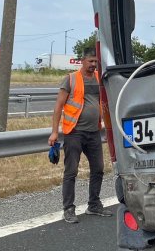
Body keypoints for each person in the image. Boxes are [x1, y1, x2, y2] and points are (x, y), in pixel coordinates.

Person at [48, 47, 111, 223]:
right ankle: (68, 209)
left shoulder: (99, 78)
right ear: (82, 60)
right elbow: (58, 106)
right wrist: (54, 132)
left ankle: (94, 205)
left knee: (98, 168)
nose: (93, 64)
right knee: (71, 171)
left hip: (93, 133)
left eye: (95, 62)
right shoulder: (71, 79)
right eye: (90, 61)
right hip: (74, 133)